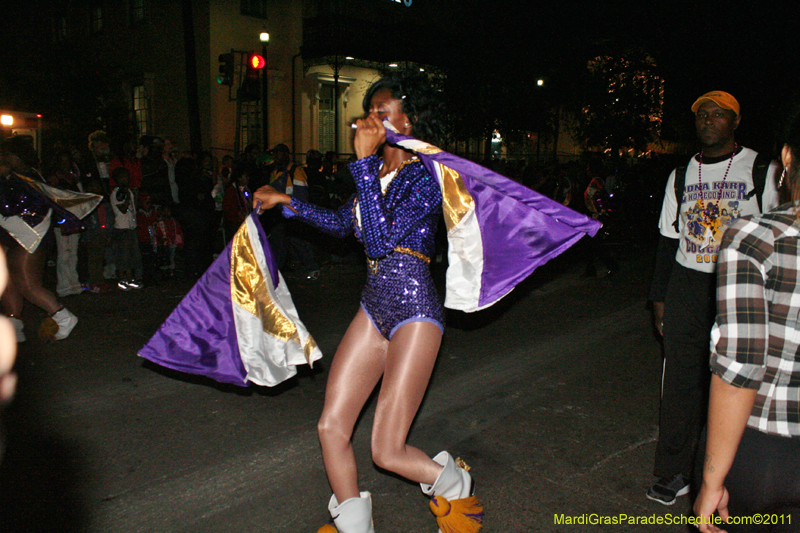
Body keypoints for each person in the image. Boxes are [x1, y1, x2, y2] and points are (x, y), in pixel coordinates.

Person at [253, 74, 482, 533]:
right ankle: (355, 524)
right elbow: (346, 225)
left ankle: (451, 482)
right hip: (373, 307)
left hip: (415, 312)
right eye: (368, 113)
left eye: (381, 112)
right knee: (330, 428)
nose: (368, 121)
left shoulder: (425, 176)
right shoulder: (377, 175)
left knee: (386, 451)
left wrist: (360, 163)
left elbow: (378, 243)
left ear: (409, 120)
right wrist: (287, 202)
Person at [647, 91, 780, 505]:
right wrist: (659, 297)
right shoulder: (681, 174)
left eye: (717, 114)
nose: (707, 120)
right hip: (688, 284)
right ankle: (672, 474)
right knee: (681, 384)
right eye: (701, 114)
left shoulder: (762, 168)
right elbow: (668, 241)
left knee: (736, 382)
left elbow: (782, 233)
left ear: (735, 122)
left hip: (741, 286)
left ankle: (731, 472)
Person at [693, 111, 800, 533]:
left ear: (786, 158)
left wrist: (710, 479)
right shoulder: (685, 173)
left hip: (769, 451)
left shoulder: (756, 238)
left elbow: (739, 369)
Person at [110, 167, 143, 290]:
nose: (126, 179)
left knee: (131, 255)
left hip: (131, 227)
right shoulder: (116, 193)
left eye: (127, 176)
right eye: (123, 177)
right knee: (122, 255)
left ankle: (130, 279)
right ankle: (122, 279)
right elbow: (123, 210)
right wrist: (128, 197)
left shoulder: (128, 191)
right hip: (122, 228)